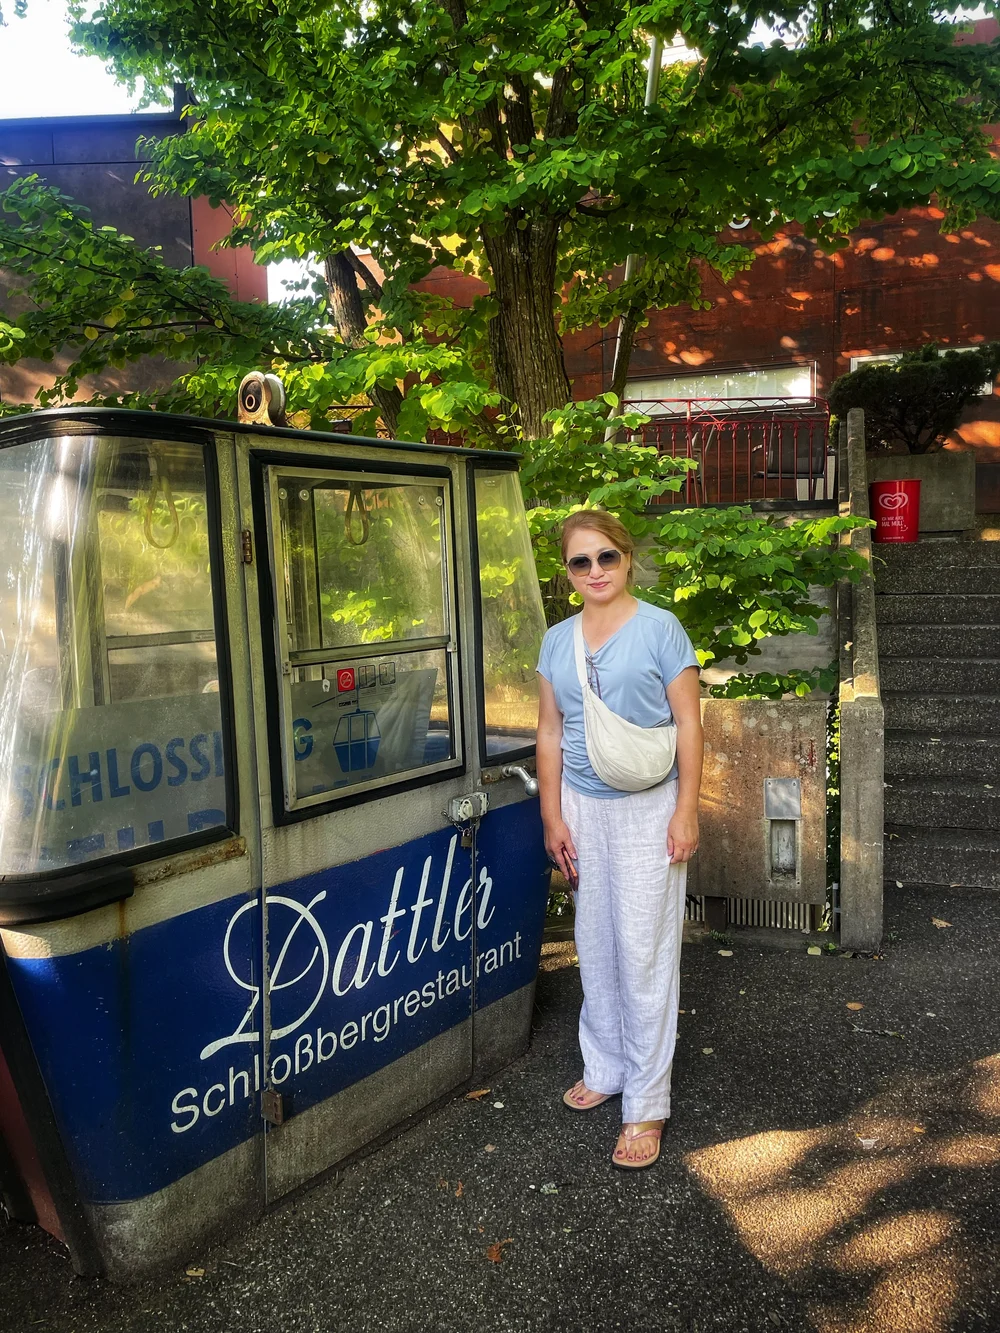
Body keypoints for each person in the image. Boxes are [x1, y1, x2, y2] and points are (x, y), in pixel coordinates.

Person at [536, 509, 703, 1170]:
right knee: (594, 944)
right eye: (582, 561)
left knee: (644, 951)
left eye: (606, 557)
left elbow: (689, 726)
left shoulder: (662, 629)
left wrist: (685, 809)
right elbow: (550, 731)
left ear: (626, 558)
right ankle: (604, 1064)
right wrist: (553, 815)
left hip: (647, 810)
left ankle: (647, 1100)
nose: (596, 571)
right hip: (582, 808)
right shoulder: (556, 640)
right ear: (568, 571)